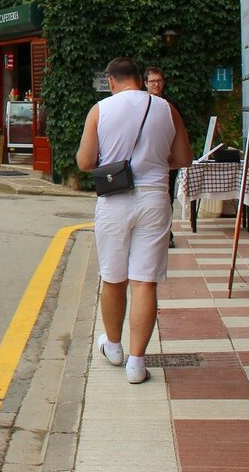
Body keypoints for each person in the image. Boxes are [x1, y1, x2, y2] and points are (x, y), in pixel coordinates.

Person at [76, 57, 190, 385]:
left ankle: (113, 346)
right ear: (141, 79)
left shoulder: (101, 109)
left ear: (111, 81)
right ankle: (137, 363)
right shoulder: (167, 108)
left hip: (114, 199)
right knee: (144, 281)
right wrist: (153, 160)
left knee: (113, 277)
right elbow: (183, 158)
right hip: (155, 198)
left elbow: (85, 162)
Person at [145, 67, 180, 248]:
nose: (156, 84)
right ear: (146, 84)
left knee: (167, 199)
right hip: (147, 160)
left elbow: (179, 133)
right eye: (152, 81)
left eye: (159, 81)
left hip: (167, 160)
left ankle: (167, 234)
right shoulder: (141, 105)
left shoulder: (171, 105)